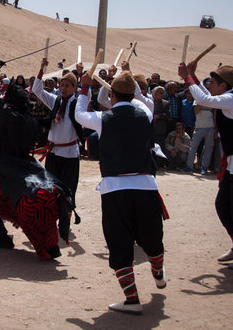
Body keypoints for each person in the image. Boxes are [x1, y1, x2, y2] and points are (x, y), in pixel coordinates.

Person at [75, 66, 167, 315]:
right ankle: (157, 271)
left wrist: (84, 87)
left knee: (119, 242)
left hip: (115, 190)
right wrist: (128, 77)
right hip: (145, 186)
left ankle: (132, 300)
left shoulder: (104, 119)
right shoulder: (145, 114)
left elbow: (80, 114)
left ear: (112, 96)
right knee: (151, 234)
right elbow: (141, 99)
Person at [0, 59, 77, 259]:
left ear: (10, 102)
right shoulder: (31, 121)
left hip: (5, 165)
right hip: (26, 164)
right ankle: (49, 246)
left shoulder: (9, 116)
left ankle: (3, 237)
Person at [178, 61, 233, 271]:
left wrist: (186, 77)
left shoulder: (232, 99)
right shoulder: (228, 98)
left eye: (212, 83)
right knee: (223, 204)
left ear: (223, 85)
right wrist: (193, 75)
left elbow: (204, 99)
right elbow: (207, 97)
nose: (209, 85)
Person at [32, 57, 83, 203]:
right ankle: (51, 219)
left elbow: (86, 96)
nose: (64, 88)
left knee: (68, 189)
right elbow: (37, 89)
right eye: (62, 85)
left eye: (68, 86)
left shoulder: (77, 103)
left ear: (74, 88)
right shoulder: (56, 101)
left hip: (70, 154)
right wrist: (42, 69)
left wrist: (80, 74)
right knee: (51, 188)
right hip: (53, 153)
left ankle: (65, 221)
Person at [185, 89, 215, 174]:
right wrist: (200, 101)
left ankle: (204, 167)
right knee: (193, 147)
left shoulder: (212, 100)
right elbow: (196, 111)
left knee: (208, 148)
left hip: (211, 126)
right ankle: (189, 166)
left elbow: (214, 114)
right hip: (199, 126)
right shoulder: (197, 101)